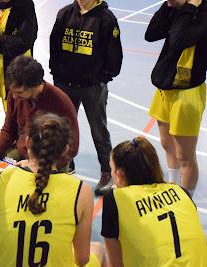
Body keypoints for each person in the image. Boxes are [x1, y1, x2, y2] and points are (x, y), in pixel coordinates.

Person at [0, 113, 105, 267]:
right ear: (65, 150)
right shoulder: (81, 191)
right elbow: (82, 259)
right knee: (98, 249)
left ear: (28, 142)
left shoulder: (0, 178)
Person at [49, 0, 123, 196]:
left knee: (99, 130)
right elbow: (54, 44)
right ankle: (67, 166)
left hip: (92, 87)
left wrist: (102, 77)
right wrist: (57, 72)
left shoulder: (106, 19)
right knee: (63, 128)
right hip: (65, 83)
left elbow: (115, 55)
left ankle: (107, 172)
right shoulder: (64, 13)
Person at [102, 136, 207, 266]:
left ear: (120, 173)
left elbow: (115, 264)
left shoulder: (115, 200)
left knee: (98, 252)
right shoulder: (180, 191)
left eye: (112, 168)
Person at [145, 0, 207, 196]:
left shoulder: (203, 14)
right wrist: (169, 6)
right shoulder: (178, 9)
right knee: (166, 143)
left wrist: (188, 8)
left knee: (185, 156)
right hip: (165, 87)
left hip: (187, 92)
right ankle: (172, 189)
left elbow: (178, 40)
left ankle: (186, 202)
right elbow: (151, 34)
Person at [0, 55, 79, 173]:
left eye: (19, 92)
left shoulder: (61, 102)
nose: (14, 97)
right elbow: (9, 130)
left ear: (36, 86)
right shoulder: (16, 94)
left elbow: (72, 147)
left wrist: (34, 164)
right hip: (24, 153)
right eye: (12, 91)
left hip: (51, 161)